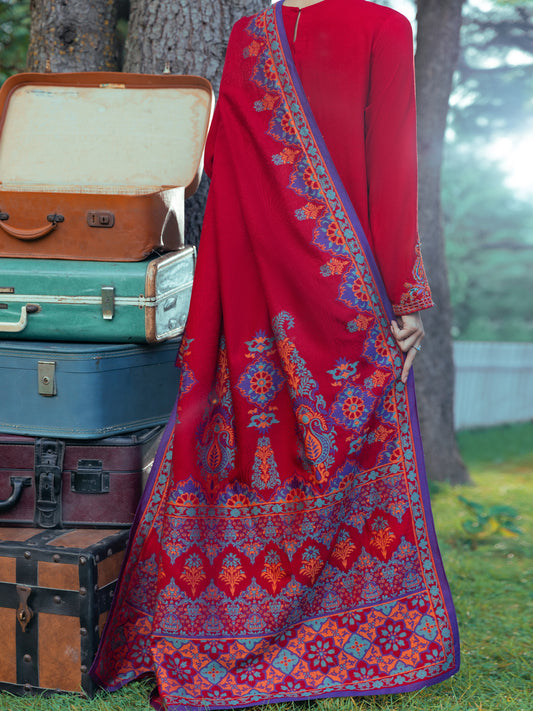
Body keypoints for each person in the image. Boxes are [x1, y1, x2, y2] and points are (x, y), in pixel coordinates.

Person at [91, 1, 460, 708]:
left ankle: (234, 618)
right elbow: (392, 161)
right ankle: (345, 622)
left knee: (263, 440)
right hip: (346, 285)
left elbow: (226, 168)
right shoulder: (383, 27)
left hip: (252, 286)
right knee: (341, 441)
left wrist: (227, 294)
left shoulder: (250, 34)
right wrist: (403, 293)